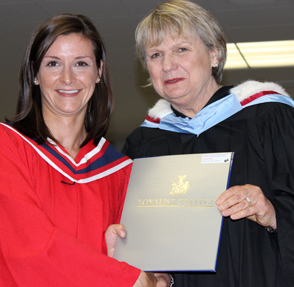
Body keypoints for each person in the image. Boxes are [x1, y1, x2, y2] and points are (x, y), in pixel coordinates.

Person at [121, 1, 294, 286]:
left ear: (214, 54)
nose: (168, 65)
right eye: (155, 55)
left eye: (181, 49)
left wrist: (273, 214)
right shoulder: (142, 146)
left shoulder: (270, 117)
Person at [0, 13, 170, 287]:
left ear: (99, 72)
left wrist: (161, 277)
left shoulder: (121, 172)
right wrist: (128, 278)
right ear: (34, 74)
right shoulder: (7, 147)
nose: (67, 78)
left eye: (81, 64)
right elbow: (29, 247)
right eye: (53, 63)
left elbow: (140, 261)